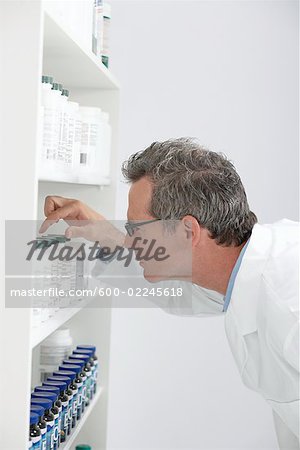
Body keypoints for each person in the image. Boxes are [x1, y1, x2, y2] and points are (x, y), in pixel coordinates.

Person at [40, 138, 299, 449]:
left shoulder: (289, 303)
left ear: (188, 231)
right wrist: (109, 237)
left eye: (136, 229)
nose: (132, 241)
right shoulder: (235, 272)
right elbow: (178, 290)